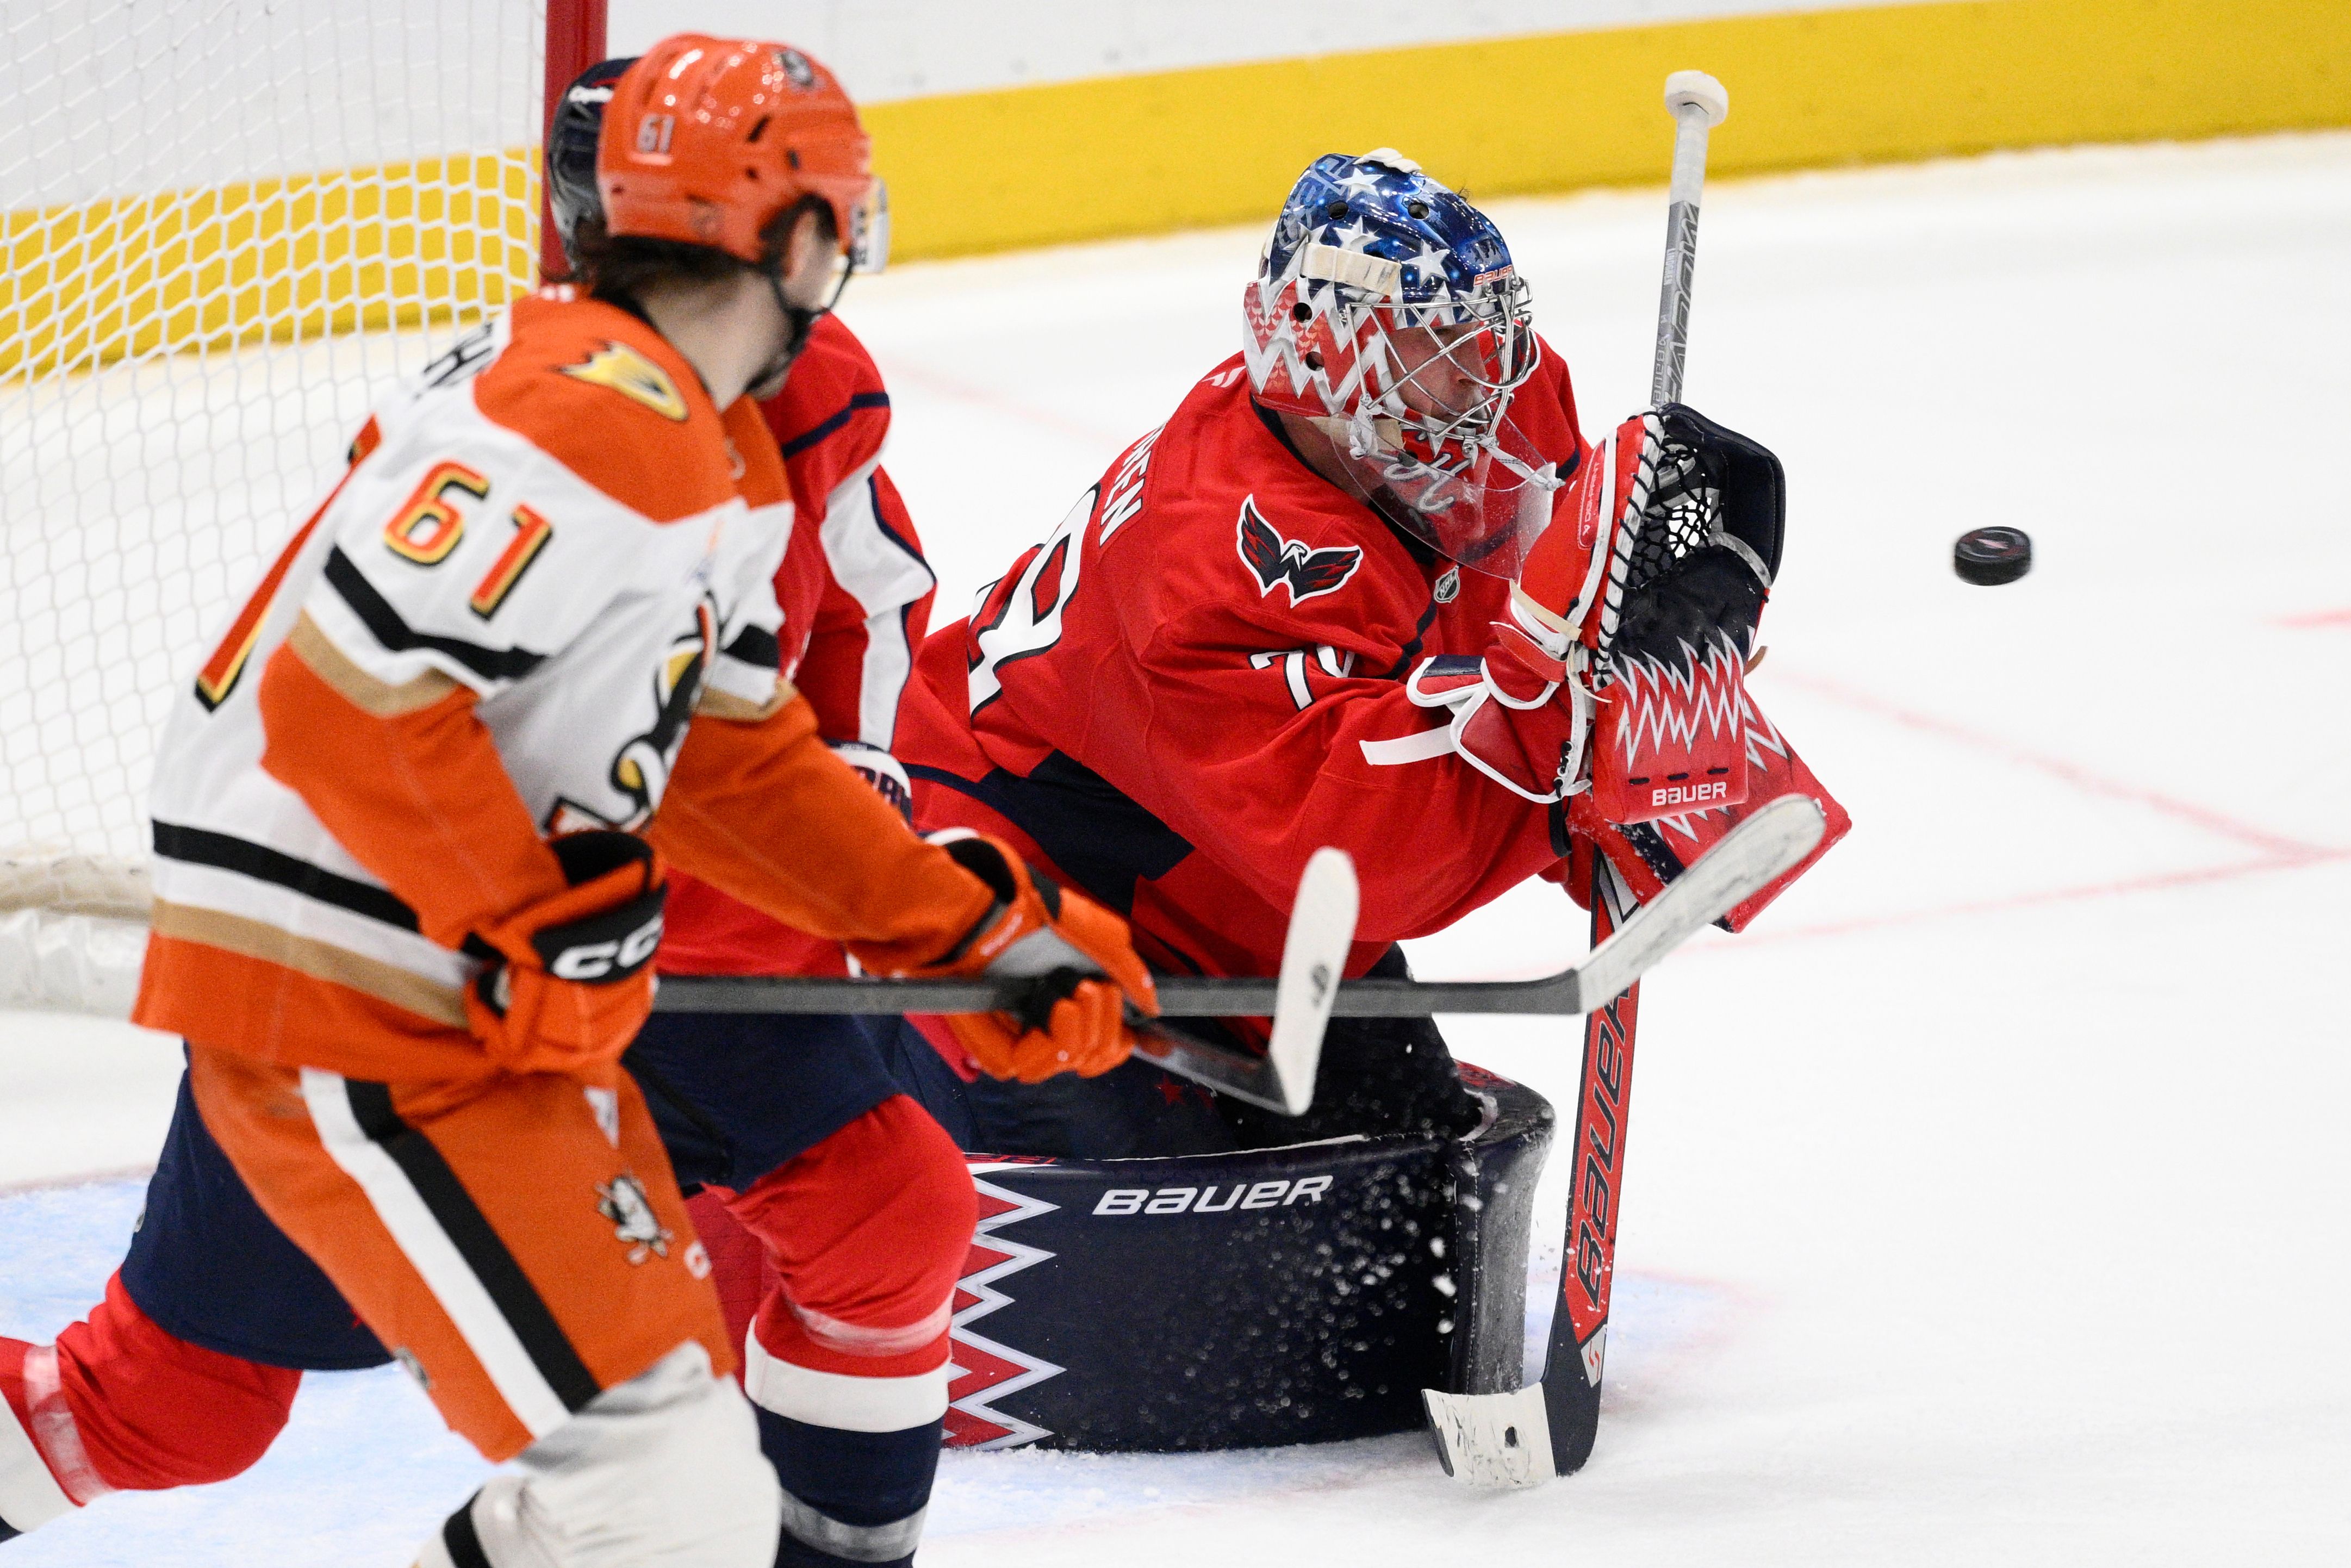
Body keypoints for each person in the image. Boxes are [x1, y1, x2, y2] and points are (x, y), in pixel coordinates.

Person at [0, 39, 1153, 1568]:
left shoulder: (701, 442)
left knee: (638, 1476)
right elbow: (340, 700)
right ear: (804, 238)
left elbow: (731, 764)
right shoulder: (585, 415)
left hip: (455, 1015)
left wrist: (971, 930)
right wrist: (533, 908)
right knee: (652, 1492)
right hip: (357, 1003)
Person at [889, 148, 1806, 1160]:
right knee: (1144, 1237)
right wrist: (1569, 734)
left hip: (1236, 866)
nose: (1490, 371)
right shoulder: (1217, 566)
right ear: (1327, 353)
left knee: (1410, 1172)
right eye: (1439, 342)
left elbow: (1547, 598)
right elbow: (1365, 855)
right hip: (1029, 872)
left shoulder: (1477, 402)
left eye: (1493, 330)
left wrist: (1648, 695)